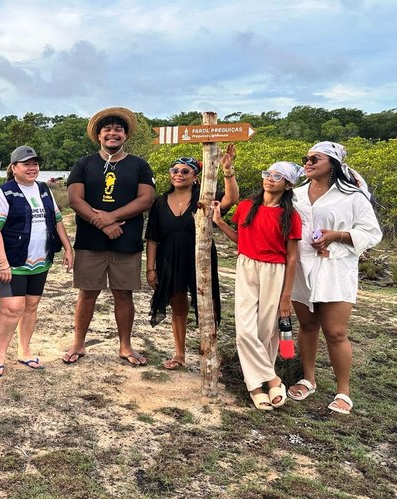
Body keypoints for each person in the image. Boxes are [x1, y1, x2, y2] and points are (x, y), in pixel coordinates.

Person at [288, 142, 382, 414]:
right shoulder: (296, 194)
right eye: (305, 158)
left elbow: (372, 232)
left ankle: (343, 391)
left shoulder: (351, 196)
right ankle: (308, 379)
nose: (308, 162)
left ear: (333, 163)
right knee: (307, 325)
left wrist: (336, 236)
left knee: (335, 331)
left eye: (315, 158)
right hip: (302, 267)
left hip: (336, 268)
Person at [62, 107, 155, 366]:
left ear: (125, 136)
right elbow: (74, 199)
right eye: (107, 130)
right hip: (91, 241)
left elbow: (146, 199)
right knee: (87, 293)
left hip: (127, 240)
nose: (113, 133)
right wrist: (101, 224)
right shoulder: (84, 164)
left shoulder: (139, 165)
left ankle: (125, 346)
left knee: (123, 294)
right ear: (99, 136)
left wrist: (112, 217)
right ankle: (78, 343)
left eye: (118, 129)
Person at [212, 162, 303, 410]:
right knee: (245, 331)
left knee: (266, 331)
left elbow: (292, 256)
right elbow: (241, 241)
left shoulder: (291, 216)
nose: (269, 179)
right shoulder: (246, 207)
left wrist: (287, 296)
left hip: (275, 271)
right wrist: (220, 223)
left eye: (277, 176)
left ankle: (258, 385)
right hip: (247, 266)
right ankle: (271, 379)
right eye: (267, 174)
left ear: (288, 184)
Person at [146, 148, 238, 370]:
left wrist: (227, 170)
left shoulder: (204, 198)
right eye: (175, 170)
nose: (179, 174)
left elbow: (230, 199)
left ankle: (211, 352)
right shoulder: (159, 202)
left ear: (195, 176)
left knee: (209, 305)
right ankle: (179, 354)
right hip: (169, 258)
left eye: (185, 171)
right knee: (178, 306)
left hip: (201, 256)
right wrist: (150, 268)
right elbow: (152, 238)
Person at [0, 146, 73, 377]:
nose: (32, 168)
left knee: (31, 306)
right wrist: (2, 262)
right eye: (26, 164)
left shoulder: (44, 189)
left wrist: (67, 247)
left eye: (35, 163)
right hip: (13, 261)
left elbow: (56, 220)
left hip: (40, 260)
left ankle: (24, 351)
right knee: (12, 308)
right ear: (14, 168)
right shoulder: (4, 193)